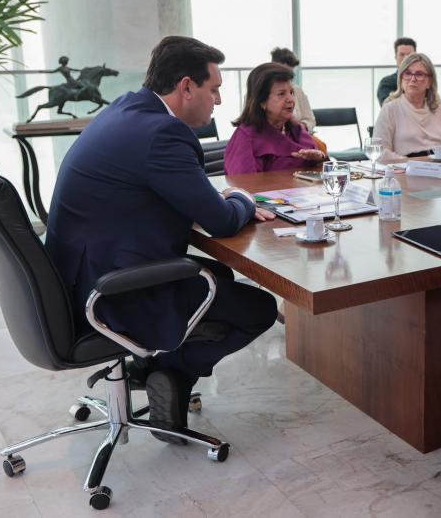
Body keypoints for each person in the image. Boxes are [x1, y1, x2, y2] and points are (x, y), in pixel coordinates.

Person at [45, 36, 278, 443]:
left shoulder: (125, 109)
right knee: (258, 307)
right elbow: (222, 221)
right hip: (110, 292)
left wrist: (208, 200)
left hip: (72, 280)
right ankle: (172, 369)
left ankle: (152, 368)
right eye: (214, 89)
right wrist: (240, 198)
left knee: (218, 277)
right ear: (186, 86)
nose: (219, 102)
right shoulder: (162, 133)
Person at [374, 52, 441, 162]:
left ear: (430, 82)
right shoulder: (390, 109)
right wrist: (414, 163)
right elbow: (380, 153)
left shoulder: (437, 110)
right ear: (401, 79)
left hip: (439, 171)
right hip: (406, 171)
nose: (413, 79)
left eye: (419, 74)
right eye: (407, 73)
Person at [224, 62, 327, 175]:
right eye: (281, 94)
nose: (291, 99)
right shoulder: (245, 137)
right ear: (262, 101)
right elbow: (243, 185)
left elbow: (320, 170)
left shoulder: (295, 128)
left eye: (291, 92)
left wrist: (318, 158)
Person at [270, 46, 316, 131]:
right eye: (284, 73)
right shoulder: (260, 92)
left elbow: (311, 120)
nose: (288, 77)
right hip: (274, 139)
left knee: (320, 144)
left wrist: (299, 127)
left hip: (298, 137)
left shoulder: (297, 90)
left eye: (290, 73)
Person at [377, 37, 417, 106]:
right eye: (401, 55)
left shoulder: (423, 80)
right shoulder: (387, 82)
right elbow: (387, 107)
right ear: (396, 57)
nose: (405, 58)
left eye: (409, 55)